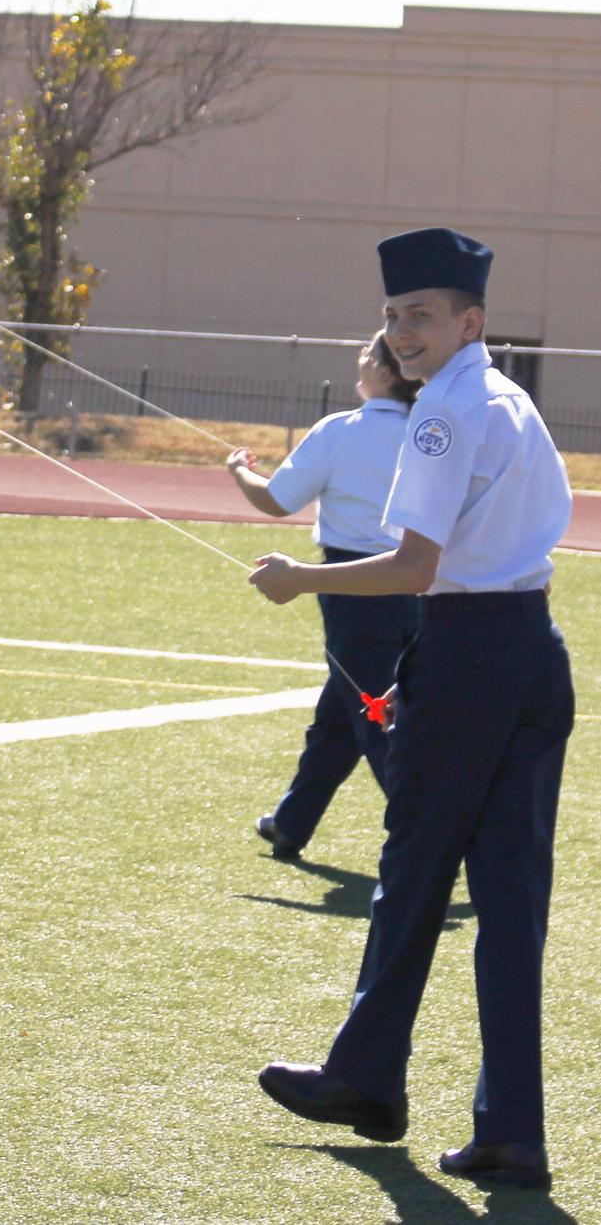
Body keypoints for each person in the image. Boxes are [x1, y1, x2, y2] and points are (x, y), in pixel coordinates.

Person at [251, 228, 574, 1192]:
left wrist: (299, 579)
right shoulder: (510, 397)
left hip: (469, 652)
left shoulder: (441, 411)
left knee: (412, 870)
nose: (401, 332)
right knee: (510, 901)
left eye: (420, 314)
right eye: (393, 316)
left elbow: (412, 566)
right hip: (531, 646)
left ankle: (365, 1077)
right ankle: (511, 1130)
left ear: (468, 320)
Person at [224, 329, 419, 859]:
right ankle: (292, 822)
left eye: (368, 353)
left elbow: (275, 501)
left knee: (375, 716)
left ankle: (433, 835)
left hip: (353, 592)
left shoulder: (341, 430)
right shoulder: (428, 432)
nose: (360, 359)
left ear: (384, 371)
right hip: (420, 586)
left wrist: (239, 470)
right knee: (343, 711)